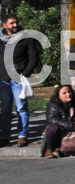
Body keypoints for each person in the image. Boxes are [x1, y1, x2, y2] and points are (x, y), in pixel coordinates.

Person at [0, 14, 40, 147]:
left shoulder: (26, 38)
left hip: (19, 79)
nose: (15, 25)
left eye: (16, 22)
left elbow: (33, 58)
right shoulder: (1, 40)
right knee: (5, 109)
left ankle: (22, 135)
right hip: (3, 80)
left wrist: (24, 74)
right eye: (11, 23)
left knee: (21, 107)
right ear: (4, 25)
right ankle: (4, 135)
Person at [41, 84, 75, 158]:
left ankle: (63, 149)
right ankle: (49, 149)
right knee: (53, 128)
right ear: (58, 95)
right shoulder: (53, 104)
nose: (68, 94)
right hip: (61, 129)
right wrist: (72, 126)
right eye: (64, 93)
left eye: (69, 92)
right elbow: (52, 119)